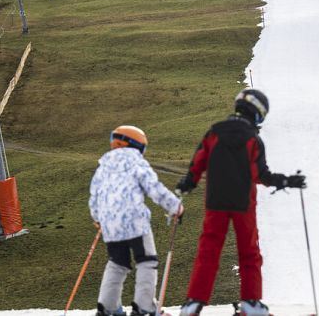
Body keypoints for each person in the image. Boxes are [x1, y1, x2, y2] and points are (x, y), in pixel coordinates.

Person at [176, 89, 306, 316]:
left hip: (215, 202)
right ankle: (251, 303)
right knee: (249, 252)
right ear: (257, 114)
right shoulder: (253, 139)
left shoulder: (214, 132)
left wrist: (188, 184)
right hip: (243, 204)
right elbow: (261, 175)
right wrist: (287, 181)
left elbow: (198, 163)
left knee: (208, 250)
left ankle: (193, 303)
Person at [89, 126, 185, 316]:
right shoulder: (136, 163)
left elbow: (94, 196)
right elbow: (154, 188)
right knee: (146, 261)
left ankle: (107, 308)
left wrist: (98, 218)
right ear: (136, 145)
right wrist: (175, 207)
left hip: (111, 226)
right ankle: (144, 307)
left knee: (117, 263)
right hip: (135, 223)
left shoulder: (103, 166)